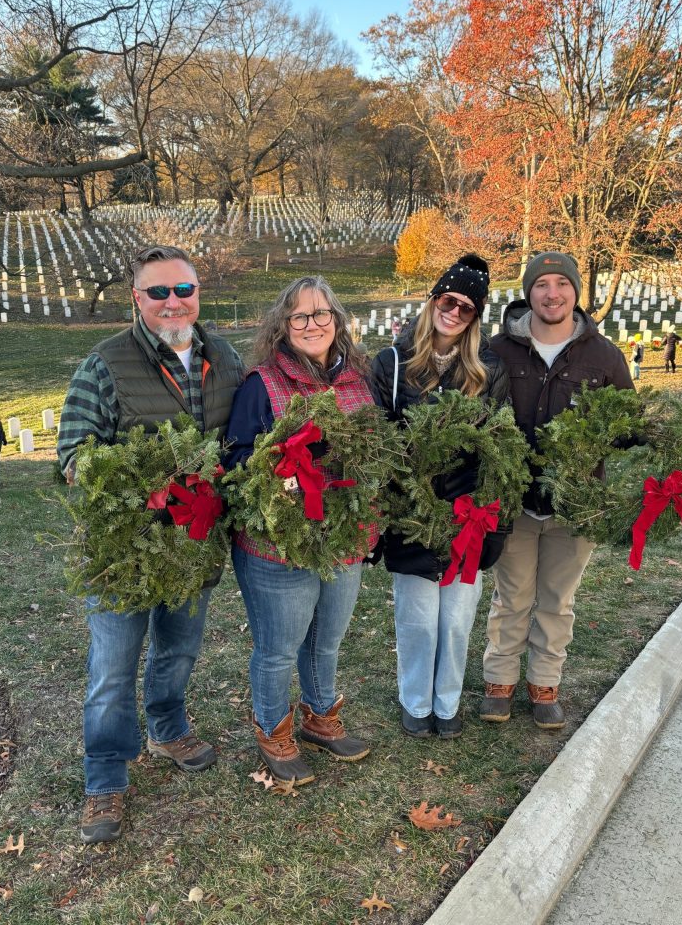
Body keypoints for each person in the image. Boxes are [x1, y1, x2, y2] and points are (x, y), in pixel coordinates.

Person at [57, 245, 244, 844]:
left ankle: (167, 727)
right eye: (158, 292)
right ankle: (105, 776)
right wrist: (149, 483)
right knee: (112, 670)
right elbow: (72, 456)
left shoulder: (225, 358)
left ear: (198, 294)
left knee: (178, 650)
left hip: (194, 547)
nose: (172, 303)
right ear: (136, 299)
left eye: (182, 290)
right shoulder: (105, 364)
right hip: (124, 552)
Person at [223, 275, 376, 785]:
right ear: (283, 327)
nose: (313, 324)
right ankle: (273, 729)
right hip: (278, 546)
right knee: (279, 646)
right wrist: (285, 476)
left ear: (336, 320)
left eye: (322, 314)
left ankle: (320, 718)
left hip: (345, 538)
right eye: (300, 316)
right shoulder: (262, 384)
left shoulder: (358, 380)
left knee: (326, 640)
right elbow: (239, 459)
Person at [480, 252, 634, 729]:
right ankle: (498, 681)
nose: (552, 293)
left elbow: (626, 424)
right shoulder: (498, 350)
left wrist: (642, 433)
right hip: (515, 500)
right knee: (512, 596)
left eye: (561, 284)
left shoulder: (603, 355)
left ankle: (545, 683)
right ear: (528, 292)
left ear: (575, 292)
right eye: (541, 284)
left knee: (557, 599)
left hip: (574, 504)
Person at [370, 255, 509, 739]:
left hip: (466, 514)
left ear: (475, 317)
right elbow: (380, 440)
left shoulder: (488, 370)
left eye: (467, 307)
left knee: (455, 621)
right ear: (433, 301)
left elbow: (500, 444)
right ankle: (415, 700)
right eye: (448, 300)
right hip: (411, 513)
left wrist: (496, 521)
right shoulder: (391, 365)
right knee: (418, 621)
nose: (454, 312)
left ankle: (446, 704)